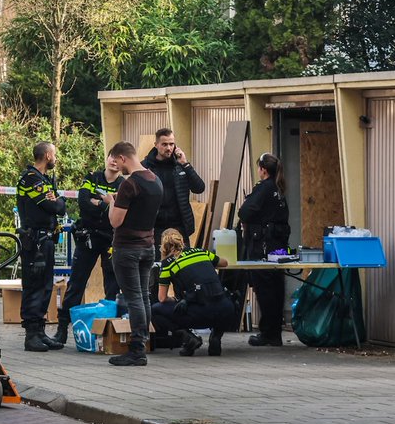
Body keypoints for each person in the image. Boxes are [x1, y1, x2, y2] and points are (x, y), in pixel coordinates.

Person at [54, 154, 122, 346]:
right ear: (107, 159)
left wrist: (98, 202)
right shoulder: (92, 178)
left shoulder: (123, 184)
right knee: (76, 283)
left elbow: (121, 211)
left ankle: (109, 332)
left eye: (118, 159)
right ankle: (62, 328)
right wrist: (107, 204)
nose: (114, 162)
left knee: (112, 285)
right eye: (112, 157)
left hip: (110, 239)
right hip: (88, 237)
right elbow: (83, 204)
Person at [106, 141, 163, 367]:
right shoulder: (155, 180)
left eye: (116, 161)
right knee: (143, 297)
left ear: (122, 158)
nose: (116, 166)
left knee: (134, 299)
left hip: (127, 248)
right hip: (148, 247)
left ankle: (137, 349)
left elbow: (115, 221)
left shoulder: (129, 184)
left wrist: (111, 202)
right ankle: (142, 343)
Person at [151, 228, 236, 357]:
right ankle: (216, 337)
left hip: (198, 315)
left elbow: (162, 298)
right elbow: (224, 263)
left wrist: (175, 299)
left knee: (156, 310)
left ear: (163, 246)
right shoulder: (201, 252)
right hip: (225, 310)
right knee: (217, 302)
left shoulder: (167, 264)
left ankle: (189, 338)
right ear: (182, 240)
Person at [16, 141, 66, 352]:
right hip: (34, 241)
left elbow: (58, 206)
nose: (56, 158)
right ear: (47, 156)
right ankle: (31, 335)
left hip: (46, 240)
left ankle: (40, 331)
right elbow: (55, 207)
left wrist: (58, 201)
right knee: (34, 286)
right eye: (54, 154)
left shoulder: (44, 179)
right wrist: (59, 201)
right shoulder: (32, 179)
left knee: (45, 286)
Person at [238, 152, 291, 347]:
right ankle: (274, 333)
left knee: (265, 290)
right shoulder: (279, 188)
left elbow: (244, 212)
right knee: (276, 289)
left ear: (263, 170)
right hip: (279, 247)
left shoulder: (264, 188)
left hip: (263, 247)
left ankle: (268, 333)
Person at [141, 128, 205, 254]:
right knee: (157, 264)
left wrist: (185, 164)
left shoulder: (180, 165)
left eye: (171, 144)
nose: (169, 148)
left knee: (183, 262)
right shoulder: (145, 167)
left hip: (179, 226)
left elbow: (199, 188)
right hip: (155, 227)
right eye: (164, 144)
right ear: (156, 145)